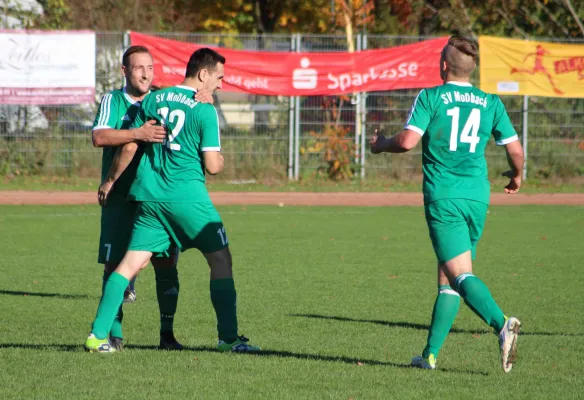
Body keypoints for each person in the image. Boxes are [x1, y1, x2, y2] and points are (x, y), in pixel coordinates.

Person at [85, 47, 260, 353]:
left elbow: (130, 145)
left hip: (149, 197)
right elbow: (212, 167)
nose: (220, 85)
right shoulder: (204, 108)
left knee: (128, 266)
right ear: (203, 74)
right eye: (218, 77)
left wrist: (110, 180)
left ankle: (98, 336)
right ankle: (229, 339)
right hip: (187, 198)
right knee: (220, 259)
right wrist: (221, 156)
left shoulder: (154, 98)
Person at [369, 36, 524, 373]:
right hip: (477, 197)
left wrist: (381, 145)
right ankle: (429, 356)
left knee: (459, 275)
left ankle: (502, 324)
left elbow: (408, 141)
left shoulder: (431, 97)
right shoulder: (490, 102)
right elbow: (514, 149)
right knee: (447, 275)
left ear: (443, 66)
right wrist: (517, 175)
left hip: (445, 197)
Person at [91, 45, 213, 351]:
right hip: (120, 196)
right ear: (124, 71)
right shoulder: (113, 99)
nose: (145, 74)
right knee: (114, 265)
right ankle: (113, 336)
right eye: (138, 68)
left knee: (166, 264)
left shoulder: (161, 98)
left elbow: (193, 102)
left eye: (149, 67)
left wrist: (207, 95)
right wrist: (137, 134)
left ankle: (167, 335)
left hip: (156, 196)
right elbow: (100, 136)